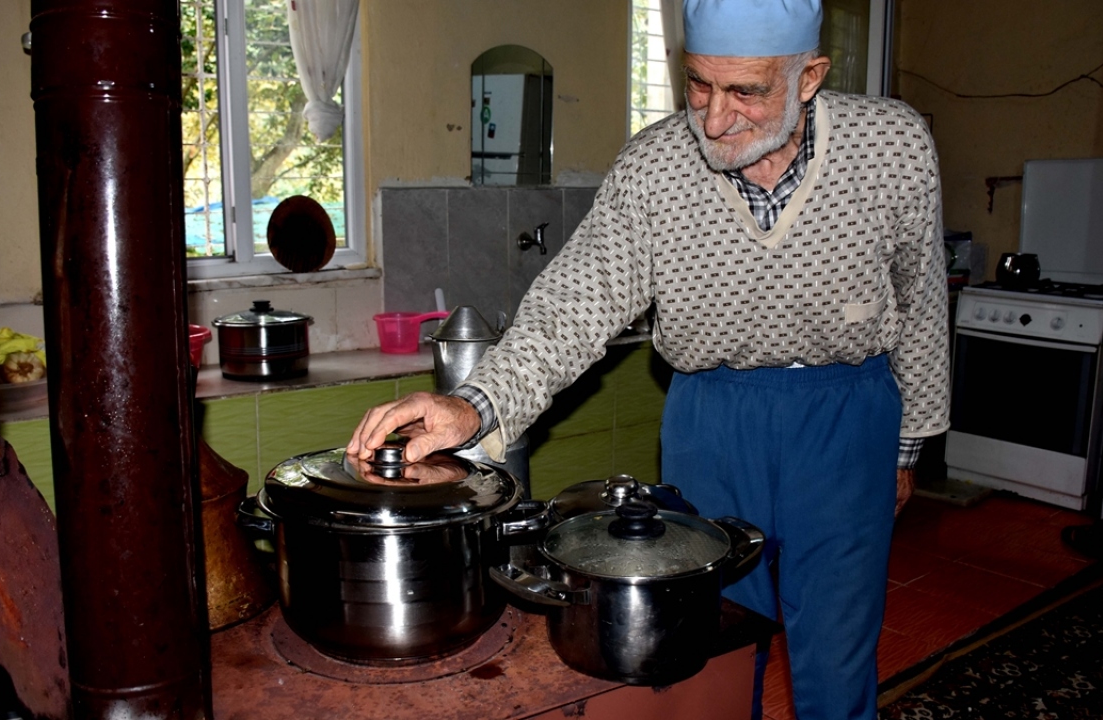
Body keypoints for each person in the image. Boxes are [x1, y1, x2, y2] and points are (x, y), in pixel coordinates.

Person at [349, 0, 949, 717]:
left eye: (746, 91)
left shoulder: (892, 146)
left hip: (847, 418)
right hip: (712, 422)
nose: (715, 119)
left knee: (839, 644)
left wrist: (907, 446)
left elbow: (922, 300)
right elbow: (576, 303)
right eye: (698, 84)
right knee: (710, 642)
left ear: (809, 77)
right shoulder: (655, 166)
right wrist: (473, 404)